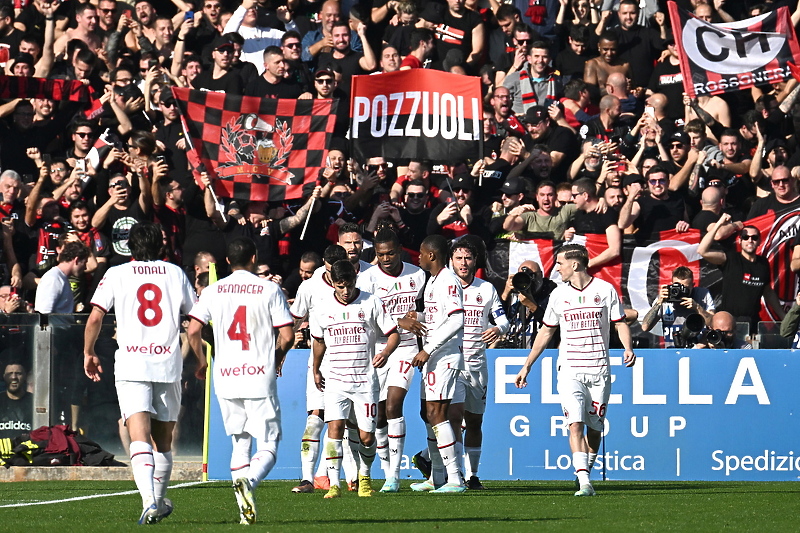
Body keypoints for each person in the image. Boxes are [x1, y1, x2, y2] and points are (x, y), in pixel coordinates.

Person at [84, 222, 196, 524]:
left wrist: (89, 352)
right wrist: (200, 355)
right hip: (167, 362)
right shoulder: (174, 273)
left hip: (132, 363)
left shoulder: (117, 273)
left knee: (138, 434)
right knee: (163, 439)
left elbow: (95, 317)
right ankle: (156, 501)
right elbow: (195, 317)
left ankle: (149, 501)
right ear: (160, 246)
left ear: (128, 247)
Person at [187, 237, 293, 525]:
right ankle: (250, 481)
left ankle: (244, 513)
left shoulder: (213, 290)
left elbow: (193, 329)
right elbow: (288, 335)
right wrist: (276, 358)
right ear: (255, 258)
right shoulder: (269, 289)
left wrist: (201, 361)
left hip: (226, 375)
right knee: (269, 443)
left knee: (240, 442)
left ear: (227, 262)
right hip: (259, 374)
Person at [515, 244, 636, 497]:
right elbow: (546, 331)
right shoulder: (559, 295)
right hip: (570, 369)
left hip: (599, 369)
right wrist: (527, 365)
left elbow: (619, 323)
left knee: (595, 428)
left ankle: (585, 473)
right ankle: (583, 482)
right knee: (575, 424)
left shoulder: (604, 290)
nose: (556, 268)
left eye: (560, 263)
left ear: (575, 264)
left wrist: (627, 347)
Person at [311, 259, 400, 499]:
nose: (346, 290)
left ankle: (364, 476)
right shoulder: (322, 307)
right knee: (335, 429)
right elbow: (318, 341)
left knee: (366, 437)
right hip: (336, 380)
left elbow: (393, 334)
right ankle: (334, 484)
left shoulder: (371, 301)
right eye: (340, 286)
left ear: (355, 280)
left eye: (349, 285)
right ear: (332, 283)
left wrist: (385, 352)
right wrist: (316, 369)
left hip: (364, 381)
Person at [360, 228, 425, 492]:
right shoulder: (367, 279)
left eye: (389, 253)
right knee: (379, 418)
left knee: (394, 405)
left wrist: (416, 318)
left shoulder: (417, 274)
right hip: (378, 350)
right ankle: (387, 472)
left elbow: (427, 310)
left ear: (399, 250)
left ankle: (394, 477)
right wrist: (398, 321)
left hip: (407, 348)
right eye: (380, 254)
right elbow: (363, 316)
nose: (385, 258)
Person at [448, 238, 508, 489]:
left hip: (477, 364)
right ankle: (455, 474)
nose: (463, 263)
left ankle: (472, 476)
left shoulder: (487, 289)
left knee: (474, 422)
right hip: (451, 363)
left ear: (475, 261)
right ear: (451, 260)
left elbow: (503, 320)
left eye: (468, 258)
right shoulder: (441, 287)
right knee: (453, 418)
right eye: (459, 258)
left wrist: (498, 329)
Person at [409, 234, 466, 493]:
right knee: (427, 414)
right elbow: (440, 316)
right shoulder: (432, 281)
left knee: (437, 414)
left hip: (443, 356)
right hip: (433, 357)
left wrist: (428, 349)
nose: (418, 257)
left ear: (431, 255)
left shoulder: (448, 281)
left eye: (421, 253)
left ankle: (455, 478)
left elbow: (456, 320)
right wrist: (419, 315)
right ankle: (437, 477)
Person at [697, 214, 785, 332]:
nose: (750, 240)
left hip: (752, 323)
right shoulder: (730, 259)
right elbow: (702, 250)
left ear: (759, 241)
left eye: (754, 237)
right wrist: (720, 223)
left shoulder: (763, 264)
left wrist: (784, 317)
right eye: (745, 237)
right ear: (740, 240)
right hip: (729, 323)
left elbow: (767, 291)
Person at [640, 266, 715, 348]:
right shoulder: (665, 297)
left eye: (685, 288)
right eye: (677, 287)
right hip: (672, 351)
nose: (681, 291)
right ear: (672, 285)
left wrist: (697, 307)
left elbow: (713, 324)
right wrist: (659, 302)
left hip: (698, 349)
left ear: (692, 286)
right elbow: (645, 327)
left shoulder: (702, 295)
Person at [33, 241, 89, 314]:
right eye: (84, 263)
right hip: (55, 325)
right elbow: (44, 314)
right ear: (76, 260)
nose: (85, 268)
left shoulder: (62, 278)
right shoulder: (53, 279)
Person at [0, 362, 32, 439]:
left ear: (25, 376)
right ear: (4, 377)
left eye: (18, 373)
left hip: (27, 449)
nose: (14, 377)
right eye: (10, 373)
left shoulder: (34, 401)